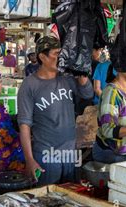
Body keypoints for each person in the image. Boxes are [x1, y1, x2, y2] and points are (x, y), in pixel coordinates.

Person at [17, 36, 93, 185]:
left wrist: (81, 74)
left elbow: (88, 94)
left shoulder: (67, 78)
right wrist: (30, 160)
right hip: (46, 154)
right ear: (42, 57)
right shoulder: (29, 85)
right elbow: (24, 125)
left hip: (71, 151)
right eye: (57, 54)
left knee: (72, 199)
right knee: (47, 202)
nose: (61, 58)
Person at [93, 53, 126, 164]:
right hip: (110, 155)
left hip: (125, 155)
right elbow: (107, 130)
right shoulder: (111, 93)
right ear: (122, 65)